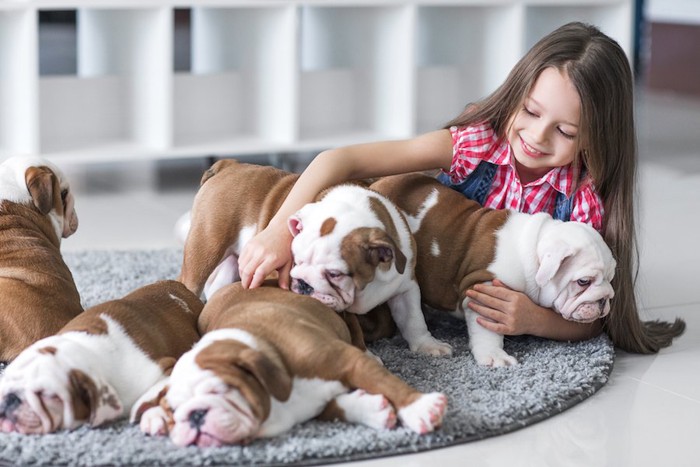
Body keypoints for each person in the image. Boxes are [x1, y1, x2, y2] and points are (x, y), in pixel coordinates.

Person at [237, 22, 685, 354]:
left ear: (596, 140)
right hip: (400, 256)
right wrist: (279, 231)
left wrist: (537, 320)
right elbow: (340, 160)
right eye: (529, 111)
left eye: (565, 132)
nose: (537, 137)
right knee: (316, 280)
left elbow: (592, 316)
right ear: (515, 93)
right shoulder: (478, 142)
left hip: (446, 298)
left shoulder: (581, 202)